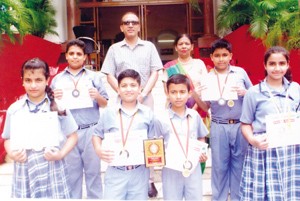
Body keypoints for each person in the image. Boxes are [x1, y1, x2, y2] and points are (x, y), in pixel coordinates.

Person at [100, 11, 163, 197]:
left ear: (139, 26)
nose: (130, 25)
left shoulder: (149, 47)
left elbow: (155, 72)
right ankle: (122, 168)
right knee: (123, 135)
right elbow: (109, 73)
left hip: (145, 97)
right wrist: (120, 90)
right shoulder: (114, 49)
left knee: (147, 138)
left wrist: (143, 93)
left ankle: (149, 180)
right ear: (121, 27)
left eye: (134, 22)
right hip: (122, 99)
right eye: (126, 22)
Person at [1, 58, 78, 198]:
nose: (33, 85)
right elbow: (7, 138)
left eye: (38, 80)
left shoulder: (58, 107)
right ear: (22, 81)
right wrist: (12, 153)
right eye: (28, 80)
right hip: (25, 168)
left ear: (47, 80)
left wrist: (60, 154)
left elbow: (73, 136)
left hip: (52, 166)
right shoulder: (15, 109)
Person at [239, 46, 300, 200]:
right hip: (264, 149)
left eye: (281, 63)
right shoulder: (254, 92)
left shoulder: (295, 89)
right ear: (265, 65)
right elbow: (245, 124)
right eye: (272, 64)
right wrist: (253, 140)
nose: (277, 68)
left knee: (290, 193)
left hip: (291, 150)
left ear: (287, 65)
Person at [50, 39, 109, 199]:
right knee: (71, 175)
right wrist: (54, 100)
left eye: (79, 54)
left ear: (84, 57)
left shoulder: (94, 77)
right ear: (66, 56)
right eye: (71, 54)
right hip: (68, 133)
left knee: (93, 174)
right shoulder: (57, 79)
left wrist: (97, 96)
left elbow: (105, 104)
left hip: (90, 131)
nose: (75, 57)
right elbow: (52, 110)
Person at [197, 38, 253, 201]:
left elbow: (254, 95)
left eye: (224, 55)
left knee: (239, 165)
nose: (221, 58)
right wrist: (196, 94)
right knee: (219, 168)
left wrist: (245, 92)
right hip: (218, 125)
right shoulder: (207, 78)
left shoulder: (240, 72)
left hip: (239, 125)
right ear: (212, 58)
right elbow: (205, 106)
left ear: (230, 56)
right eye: (217, 55)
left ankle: (238, 198)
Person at [93, 69, 154, 200]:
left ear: (140, 89)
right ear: (118, 89)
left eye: (133, 85)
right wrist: (98, 149)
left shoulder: (148, 113)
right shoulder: (108, 113)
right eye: (124, 86)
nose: (128, 89)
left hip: (140, 172)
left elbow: (154, 140)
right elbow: (96, 134)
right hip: (115, 172)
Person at [154, 74, 208, 200]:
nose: (178, 96)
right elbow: (154, 143)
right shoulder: (160, 118)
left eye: (182, 92)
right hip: (171, 169)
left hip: (192, 167)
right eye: (173, 92)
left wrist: (202, 152)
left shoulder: (194, 116)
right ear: (167, 93)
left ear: (189, 93)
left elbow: (201, 137)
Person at [162, 33, 209, 173]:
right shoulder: (170, 66)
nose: (184, 46)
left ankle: (195, 171)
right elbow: (166, 90)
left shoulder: (199, 64)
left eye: (187, 44)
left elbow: (205, 87)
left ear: (192, 47)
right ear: (176, 47)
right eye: (180, 44)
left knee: (196, 140)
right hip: (174, 109)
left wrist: (194, 108)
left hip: (198, 109)